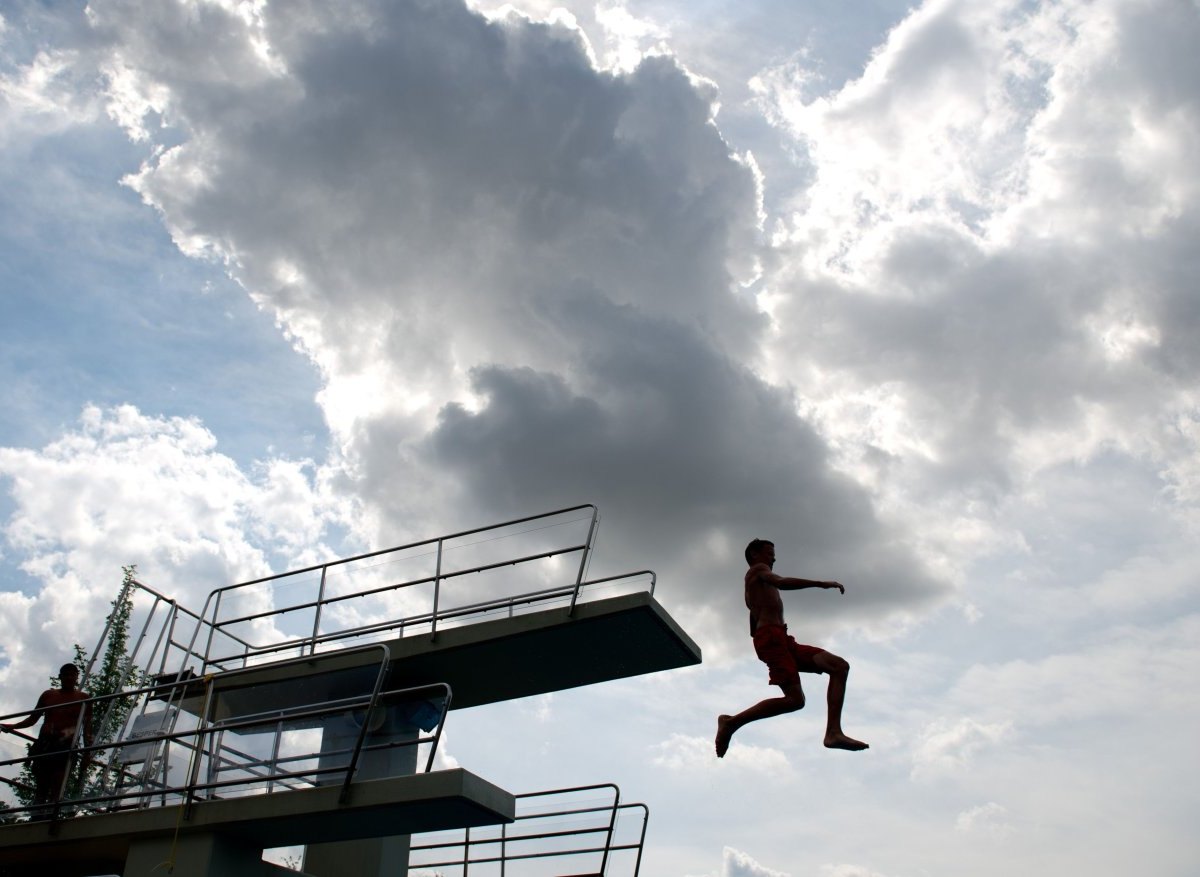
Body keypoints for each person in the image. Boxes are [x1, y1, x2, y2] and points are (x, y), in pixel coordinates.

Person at [715, 539, 868, 757]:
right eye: (769, 554)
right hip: (772, 639)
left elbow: (753, 622)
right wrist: (819, 583)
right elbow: (782, 582)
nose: (774, 558)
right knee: (795, 701)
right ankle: (731, 722)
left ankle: (833, 732)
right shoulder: (759, 570)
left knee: (839, 666)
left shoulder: (755, 585)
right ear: (755, 556)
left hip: (782, 639)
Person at [1, 663, 93, 806]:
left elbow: (87, 729)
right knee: (41, 785)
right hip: (45, 744)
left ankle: (50, 817)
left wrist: (87, 754)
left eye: (72, 675)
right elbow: (33, 719)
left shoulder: (84, 699)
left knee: (58, 785)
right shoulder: (49, 695)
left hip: (66, 746)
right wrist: (13, 726)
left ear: (76, 677)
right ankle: (37, 816)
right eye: (66, 675)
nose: (69, 678)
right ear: (60, 677)